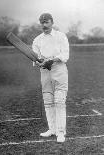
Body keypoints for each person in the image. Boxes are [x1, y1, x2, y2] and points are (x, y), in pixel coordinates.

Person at [32, 13, 69, 142]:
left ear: (52, 22)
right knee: (48, 102)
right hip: (45, 72)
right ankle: (52, 129)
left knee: (59, 101)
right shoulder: (37, 40)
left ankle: (60, 133)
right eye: (42, 22)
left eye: (46, 22)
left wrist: (52, 60)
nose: (44, 25)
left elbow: (65, 55)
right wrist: (38, 62)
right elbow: (35, 58)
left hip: (59, 71)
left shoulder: (61, 36)